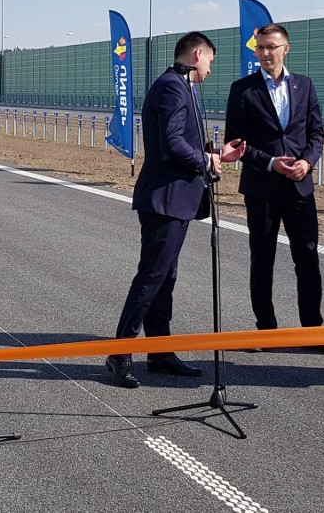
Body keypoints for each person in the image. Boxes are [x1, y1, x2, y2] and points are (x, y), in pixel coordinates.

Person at [106, 32, 246, 388]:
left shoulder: (181, 86)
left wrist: (218, 154)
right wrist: (207, 160)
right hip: (165, 198)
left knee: (164, 279)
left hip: (175, 199)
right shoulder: (172, 86)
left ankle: (161, 352)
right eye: (211, 61)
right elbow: (172, 143)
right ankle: (119, 354)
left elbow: (185, 139)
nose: (211, 69)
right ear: (198, 53)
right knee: (151, 278)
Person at [225, 24, 324, 355]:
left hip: (300, 188)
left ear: (286, 49)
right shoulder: (242, 89)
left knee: (307, 257)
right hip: (262, 187)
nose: (265, 53)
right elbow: (234, 143)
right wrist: (269, 162)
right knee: (262, 258)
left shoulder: (304, 85)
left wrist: (307, 162)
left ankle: (313, 331)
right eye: (260, 47)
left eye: (272, 47)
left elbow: (316, 133)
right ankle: (265, 331)